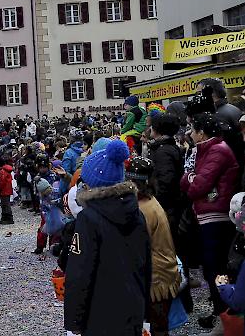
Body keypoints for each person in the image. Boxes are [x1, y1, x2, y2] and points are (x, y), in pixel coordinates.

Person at [64, 140, 151, 336]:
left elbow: (80, 272)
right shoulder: (137, 214)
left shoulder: (89, 219)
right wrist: (146, 308)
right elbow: (146, 263)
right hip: (133, 305)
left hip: (100, 309)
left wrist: (74, 319)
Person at [180, 113, 240, 329]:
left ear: (202, 132)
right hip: (207, 213)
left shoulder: (217, 150)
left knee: (215, 268)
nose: (190, 134)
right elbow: (187, 181)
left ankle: (224, 317)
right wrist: (190, 178)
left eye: (193, 130)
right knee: (211, 267)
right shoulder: (205, 150)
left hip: (216, 216)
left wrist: (190, 178)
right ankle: (221, 315)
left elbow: (196, 186)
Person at [127, 157, 181, 336]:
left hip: (156, 278)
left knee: (156, 328)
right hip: (163, 271)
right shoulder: (150, 202)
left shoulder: (143, 209)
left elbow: (135, 246)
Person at [0, 158, 14, 225]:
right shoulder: (5, 170)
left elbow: (2, 182)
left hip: (4, 190)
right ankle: (5, 218)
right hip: (7, 189)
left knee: (6, 205)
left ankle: (9, 218)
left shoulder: (2, 171)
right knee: (4, 204)